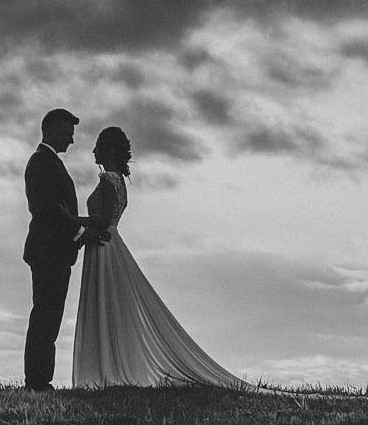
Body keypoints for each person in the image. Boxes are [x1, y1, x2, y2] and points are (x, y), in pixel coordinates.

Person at [72, 126, 249, 390]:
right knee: (110, 305)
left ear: (109, 149)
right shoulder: (118, 180)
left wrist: (72, 220)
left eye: (98, 144)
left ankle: (106, 367)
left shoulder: (109, 179)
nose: (93, 150)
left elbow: (105, 219)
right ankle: (106, 365)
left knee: (105, 303)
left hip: (104, 244)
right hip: (107, 244)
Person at [21, 107, 87, 391]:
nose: (71, 140)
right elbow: (49, 209)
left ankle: (40, 378)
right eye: (68, 133)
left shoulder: (48, 162)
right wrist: (80, 231)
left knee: (50, 316)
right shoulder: (41, 163)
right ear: (53, 130)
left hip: (55, 251)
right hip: (48, 251)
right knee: (45, 316)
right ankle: (37, 380)